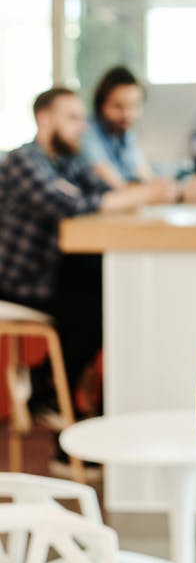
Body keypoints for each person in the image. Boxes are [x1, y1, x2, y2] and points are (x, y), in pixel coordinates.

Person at [0, 86, 179, 422]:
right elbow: (70, 204)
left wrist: (166, 193)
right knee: (97, 308)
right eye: (72, 118)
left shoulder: (67, 160)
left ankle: (47, 389)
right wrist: (147, 194)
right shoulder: (23, 160)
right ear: (44, 118)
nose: (81, 126)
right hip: (19, 280)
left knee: (112, 295)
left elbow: (108, 193)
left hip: (53, 273)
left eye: (82, 118)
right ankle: (46, 394)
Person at [83, 65, 196, 203]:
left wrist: (183, 186)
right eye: (118, 107)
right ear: (101, 106)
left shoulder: (125, 134)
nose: (128, 114)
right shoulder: (87, 134)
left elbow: (145, 178)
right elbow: (119, 189)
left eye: (134, 106)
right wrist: (181, 193)